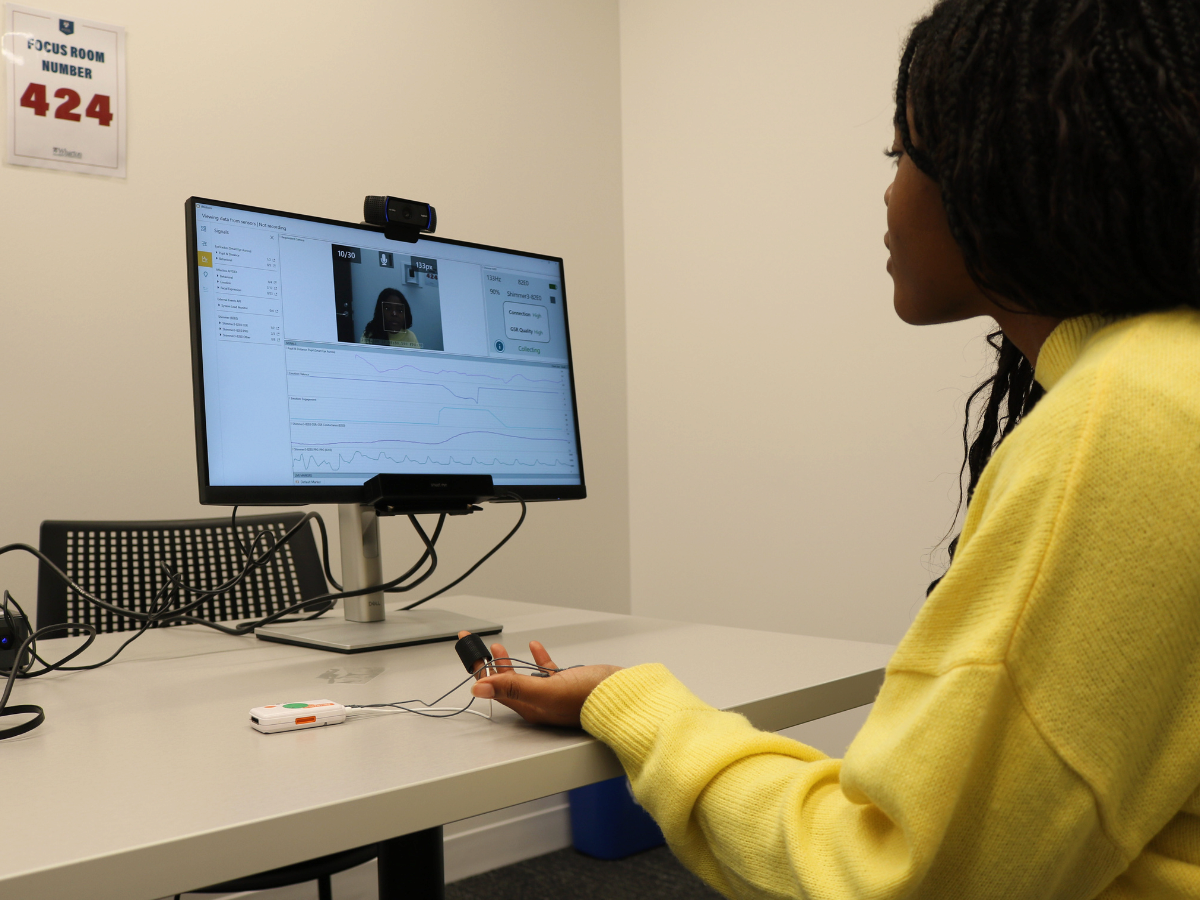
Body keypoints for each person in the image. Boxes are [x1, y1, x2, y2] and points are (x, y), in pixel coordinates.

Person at [465, 1, 1200, 897]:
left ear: (997, 168)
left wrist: (631, 703)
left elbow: (888, 876)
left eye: (899, 156)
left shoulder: (1130, 418)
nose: (888, 195)